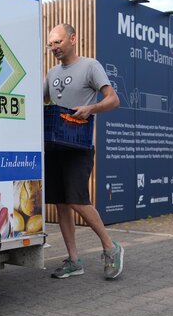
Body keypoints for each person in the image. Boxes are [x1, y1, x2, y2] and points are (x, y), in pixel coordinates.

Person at [44, 23, 123, 279]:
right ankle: (73, 261)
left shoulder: (90, 66)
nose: (54, 47)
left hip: (80, 146)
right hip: (55, 146)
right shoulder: (52, 72)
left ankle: (111, 248)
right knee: (62, 204)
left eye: (57, 42)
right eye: (50, 44)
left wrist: (90, 109)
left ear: (73, 39)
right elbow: (42, 100)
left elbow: (113, 100)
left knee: (77, 200)